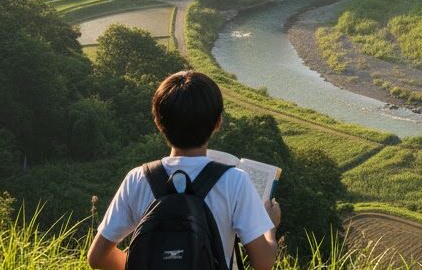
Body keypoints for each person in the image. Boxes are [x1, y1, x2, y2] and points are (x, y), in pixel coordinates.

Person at [87, 71, 281, 270]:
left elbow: (97, 258)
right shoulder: (235, 181)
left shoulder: (137, 179)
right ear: (217, 123)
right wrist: (270, 228)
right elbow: (263, 262)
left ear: (158, 123)